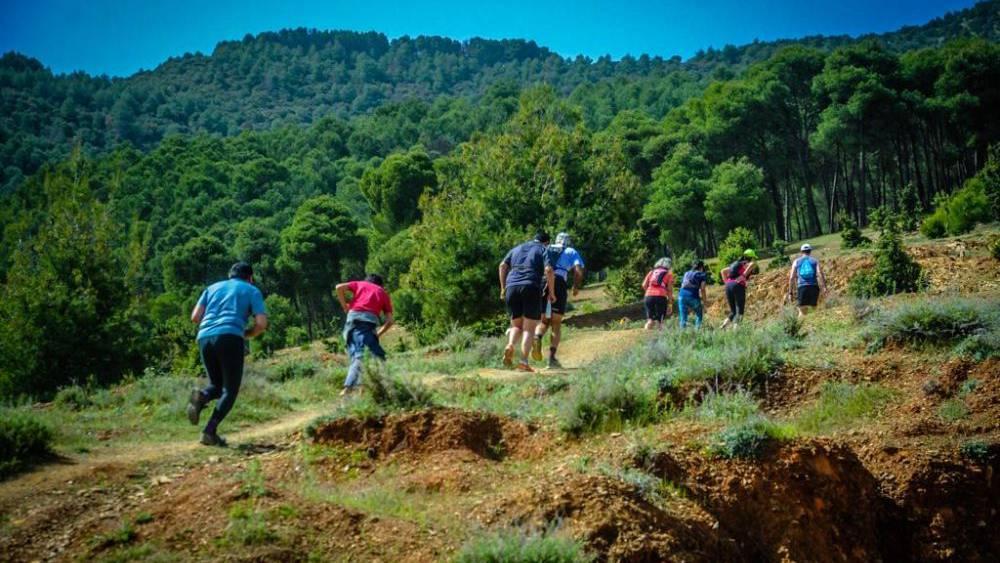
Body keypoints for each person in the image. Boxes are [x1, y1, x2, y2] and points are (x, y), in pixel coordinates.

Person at [187, 262, 268, 447]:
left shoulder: (211, 288)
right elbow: (261, 323)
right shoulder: (251, 289)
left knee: (216, 385)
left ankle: (202, 396)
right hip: (230, 337)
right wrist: (247, 333)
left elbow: (195, 317)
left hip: (204, 337)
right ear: (250, 277)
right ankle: (209, 432)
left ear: (230, 275)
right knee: (230, 390)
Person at [499, 232, 555, 372]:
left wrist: (503, 288)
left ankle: (510, 345)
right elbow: (548, 270)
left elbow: (502, 266)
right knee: (529, 328)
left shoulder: (516, 248)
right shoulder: (543, 249)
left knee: (516, 325)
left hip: (511, 286)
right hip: (530, 285)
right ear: (546, 242)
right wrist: (552, 293)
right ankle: (523, 362)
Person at [532, 232, 585, 369]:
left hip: (543, 281)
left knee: (544, 320)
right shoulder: (570, 251)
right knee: (556, 323)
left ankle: (537, 337)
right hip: (559, 282)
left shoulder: (546, 248)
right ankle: (551, 359)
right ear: (568, 241)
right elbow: (578, 270)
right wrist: (575, 286)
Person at [335, 274, 394, 396]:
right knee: (371, 356)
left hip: (355, 324)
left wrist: (344, 306)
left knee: (369, 355)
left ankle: (362, 390)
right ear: (380, 284)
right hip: (367, 327)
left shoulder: (360, 284)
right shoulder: (383, 293)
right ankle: (349, 388)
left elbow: (339, 287)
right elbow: (390, 321)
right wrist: (378, 334)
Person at [720, 249, 757, 329]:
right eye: (753, 257)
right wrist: (743, 275)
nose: (753, 259)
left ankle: (723, 326)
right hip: (738, 286)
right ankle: (736, 332)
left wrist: (727, 283)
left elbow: (722, 271)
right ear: (750, 257)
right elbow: (752, 264)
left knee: (733, 312)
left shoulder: (736, 264)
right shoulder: (747, 263)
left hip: (728, 286)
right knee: (740, 311)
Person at [787, 243, 826, 317]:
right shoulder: (815, 261)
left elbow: (792, 277)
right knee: (814, 310)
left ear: (801, 252)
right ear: (810, 251)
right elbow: (820, 274)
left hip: (802, 287)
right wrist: (824, 287)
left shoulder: (796, 261)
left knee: (802, 312)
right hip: (814, 287)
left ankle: (801, 328)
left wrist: (790, 293)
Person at [642, 258, 674, 330]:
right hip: (661, 296)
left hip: (648, 296)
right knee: (660, 321)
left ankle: (646, 337)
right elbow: (669, 290)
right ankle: (660, 339)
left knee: (650, 320)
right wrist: (670, 303)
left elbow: (644, 285)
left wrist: (649, 292)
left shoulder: (651, 272)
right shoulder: (669, 274)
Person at [678, 260, 709, 329]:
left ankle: (682, 336)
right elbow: (703, 289)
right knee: (699, 314)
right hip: (692, 296)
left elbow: (683, 284)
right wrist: (705, 303)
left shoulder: (686, 273)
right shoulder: (701, 274)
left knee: (683, 318)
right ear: (701, 267)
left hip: (681, 296)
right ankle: (697, 332)